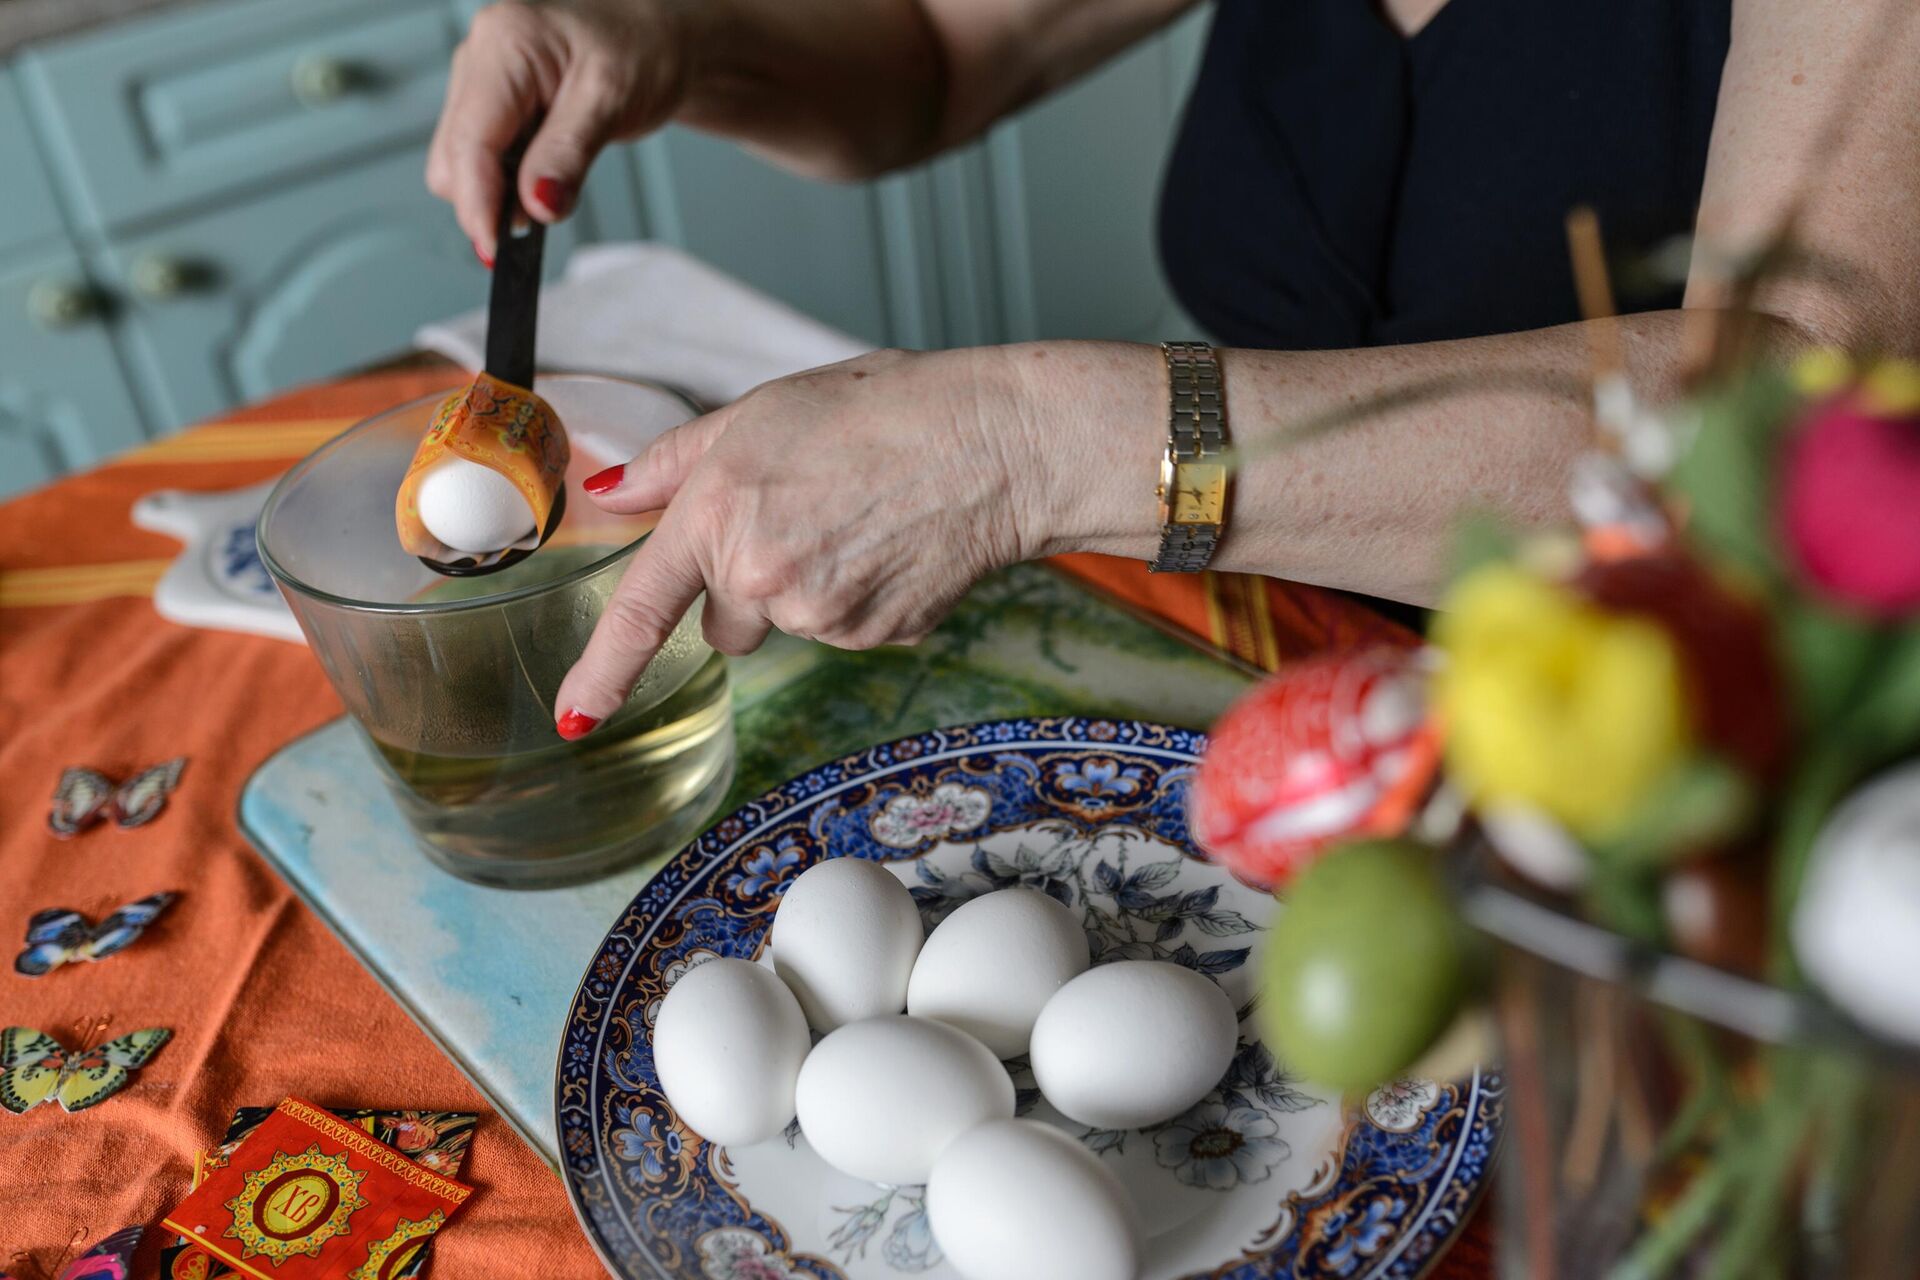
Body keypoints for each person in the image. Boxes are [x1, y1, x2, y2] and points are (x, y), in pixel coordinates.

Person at [426, 0, 1920, 741]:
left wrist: (1033, 444)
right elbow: (939, 54)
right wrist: (677, 36)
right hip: (1283, 696)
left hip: (1719, 764)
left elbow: (1798, 416)